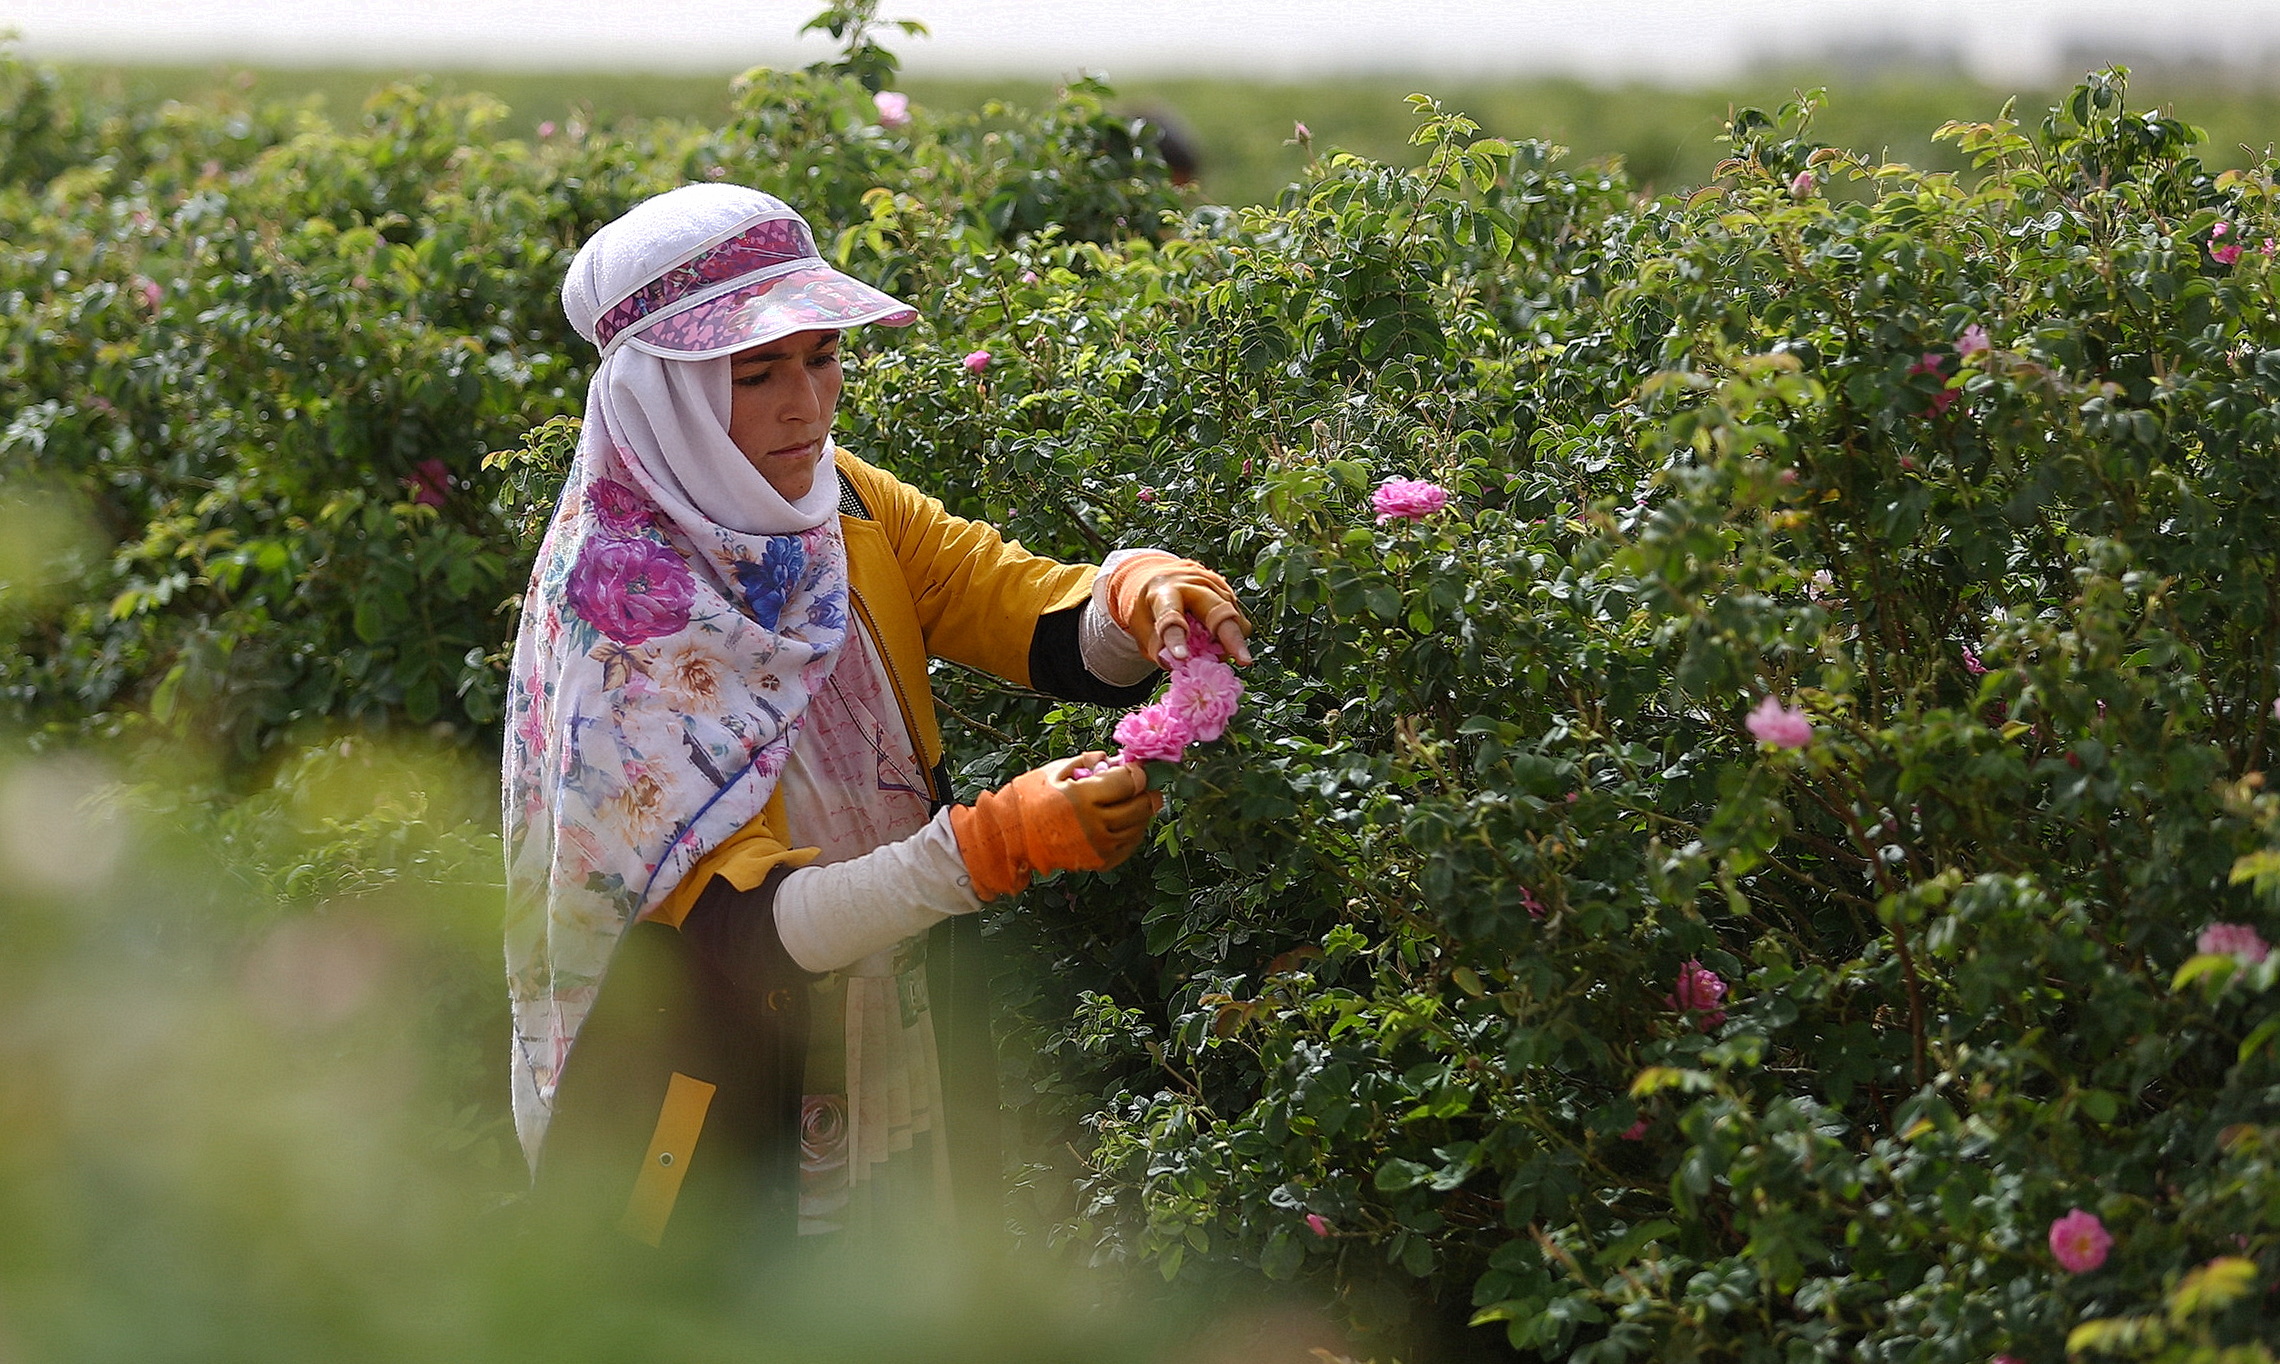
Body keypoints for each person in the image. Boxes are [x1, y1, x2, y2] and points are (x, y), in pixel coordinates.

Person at [500, 183, 1251, 1262]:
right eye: (755, 373)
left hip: (883, 1004)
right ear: (658, 398)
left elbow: (1026, 612)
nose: (805, 405)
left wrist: (1143, 598)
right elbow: (736, 934)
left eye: (822, 358)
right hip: (715, 1075)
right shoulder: (625, 607)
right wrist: (992, 845)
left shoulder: (838, 504)